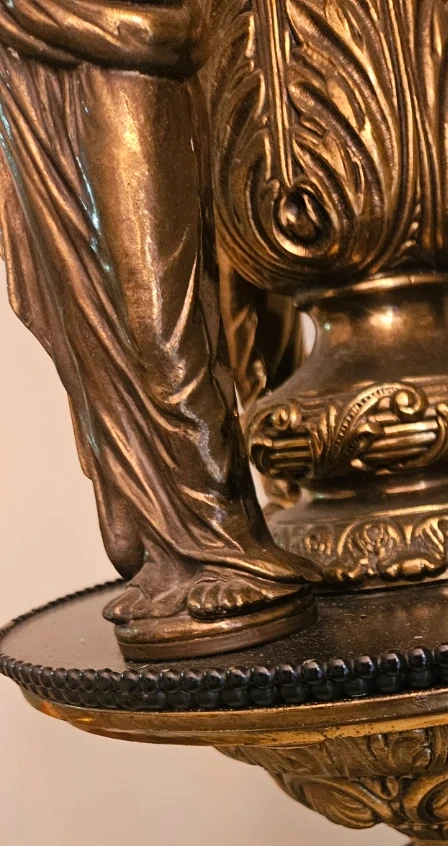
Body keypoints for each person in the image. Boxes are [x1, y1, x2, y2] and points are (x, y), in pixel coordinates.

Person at [0, 0, 317, 656]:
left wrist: (31, 15)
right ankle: (168, 554)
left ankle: (228, 543)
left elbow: (166, 32)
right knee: (92, 343)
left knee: (162, 332)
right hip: (41, 95)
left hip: (132, 86)